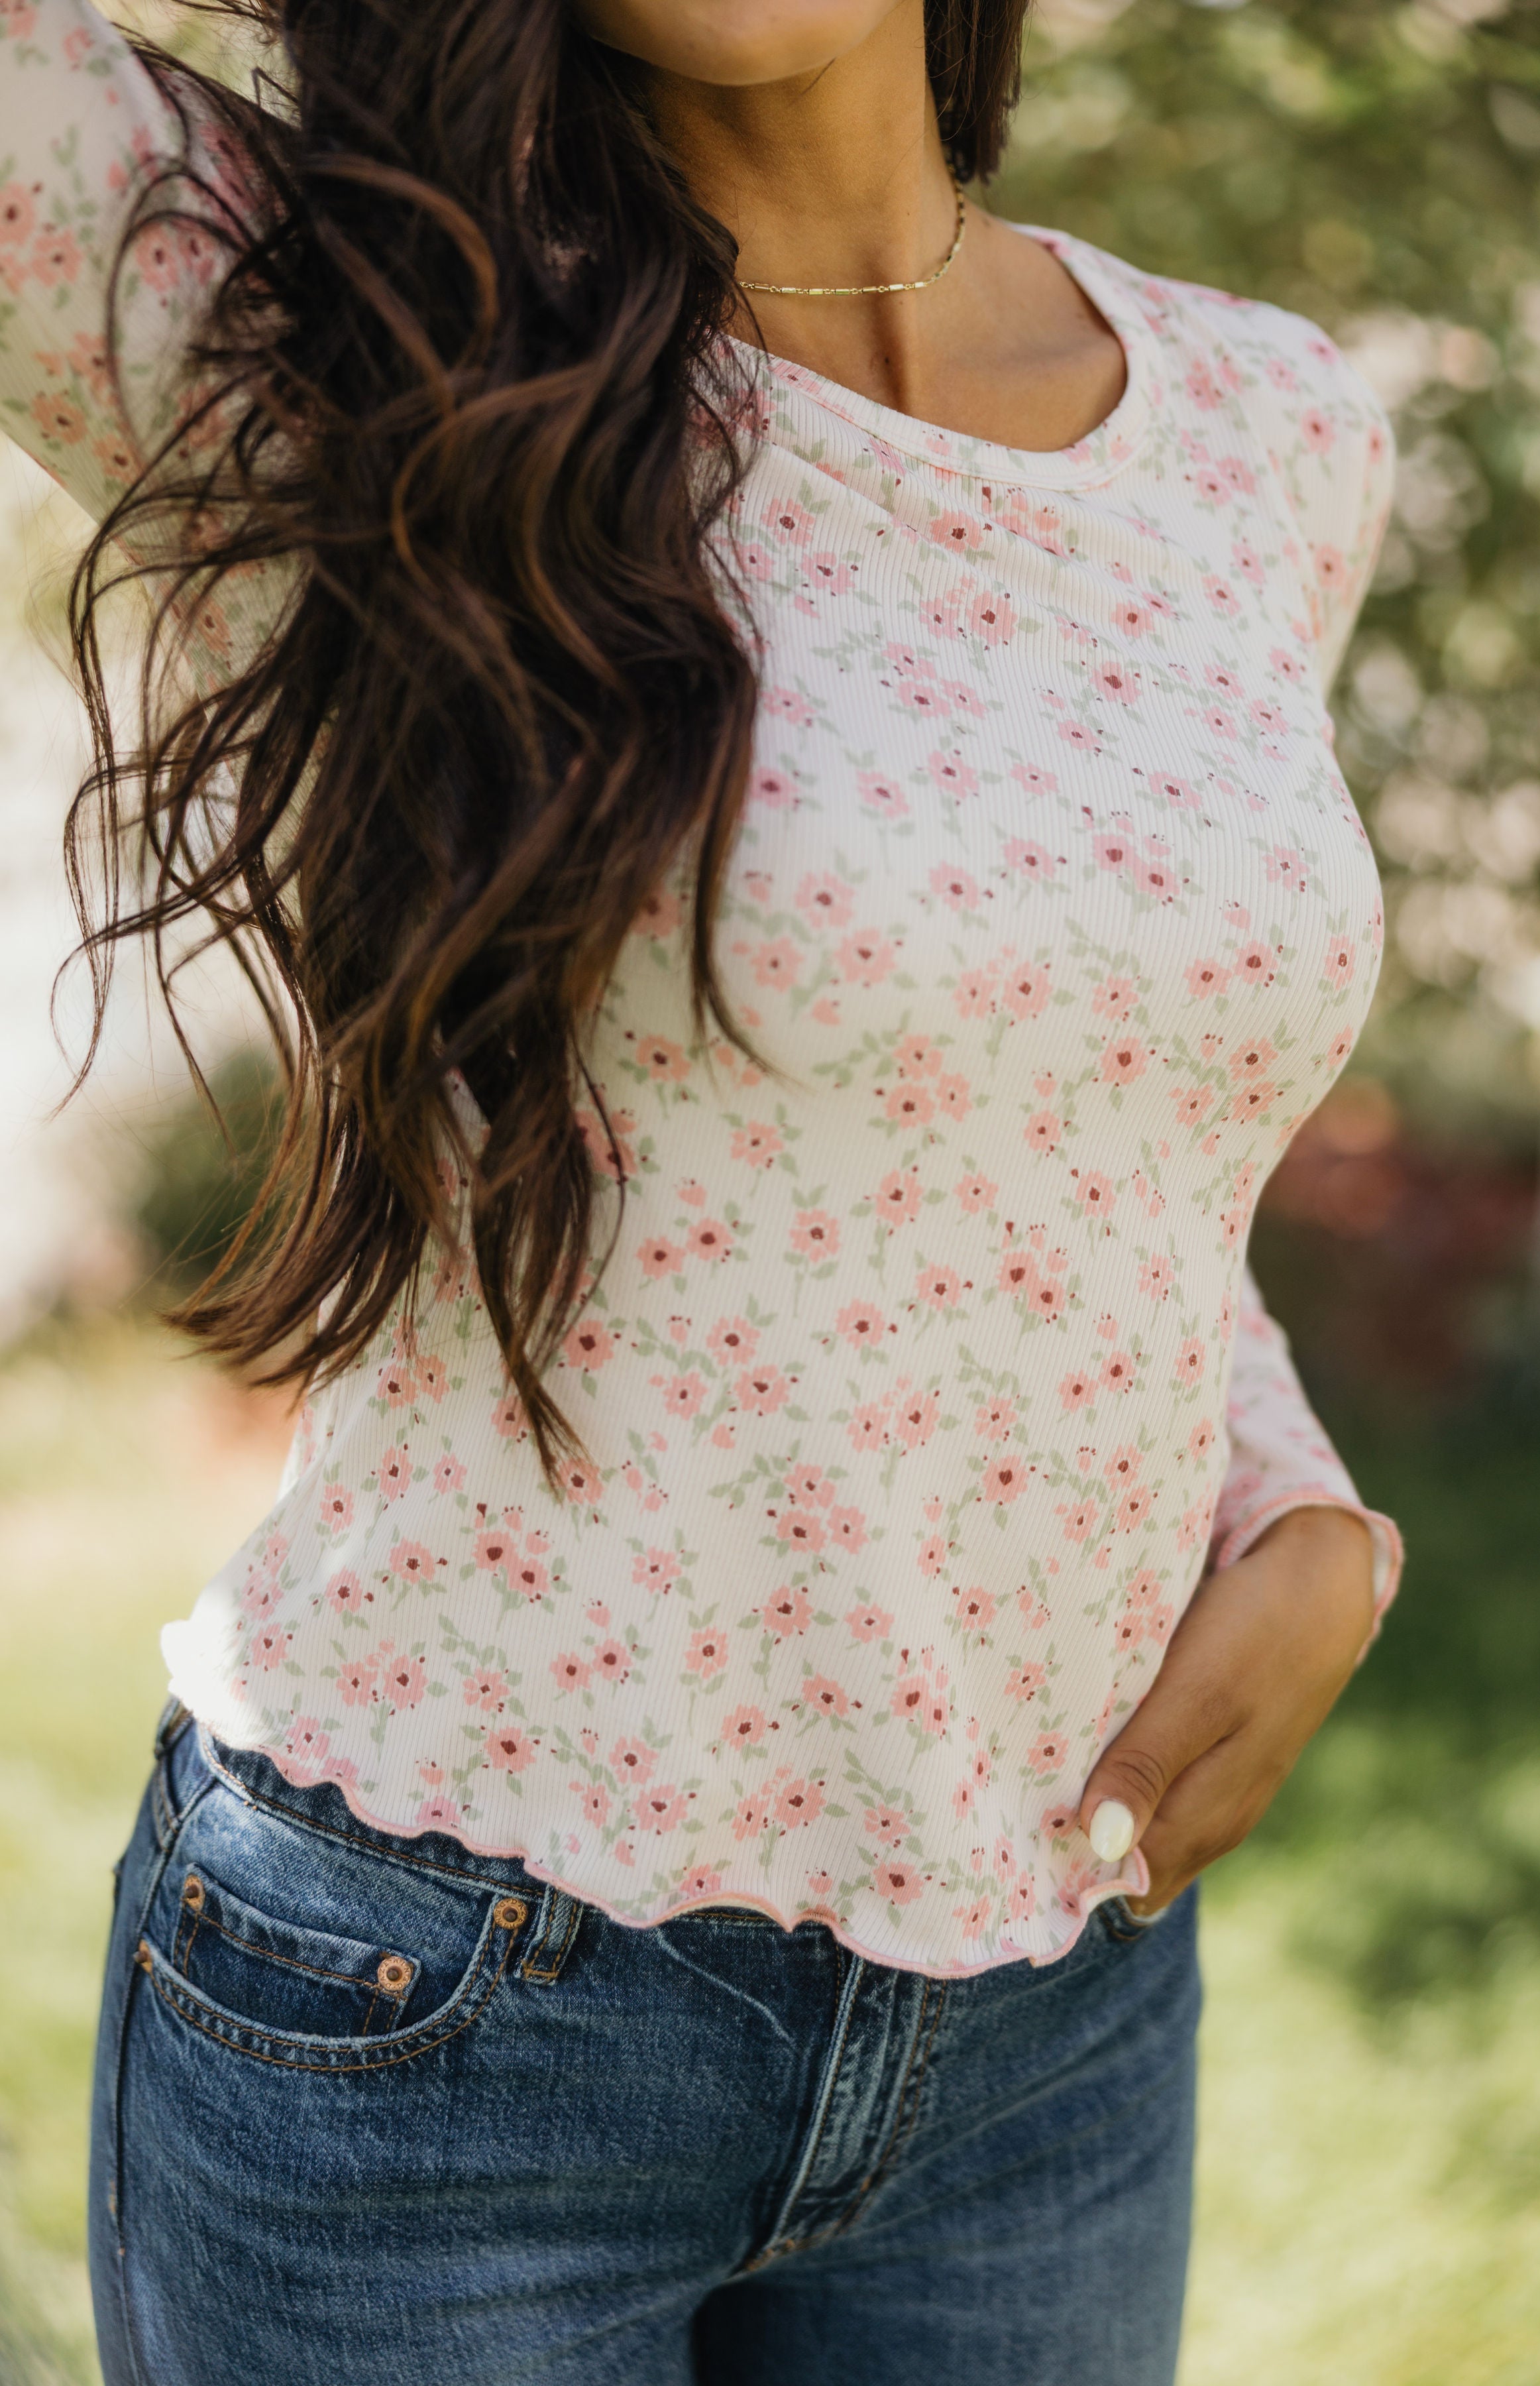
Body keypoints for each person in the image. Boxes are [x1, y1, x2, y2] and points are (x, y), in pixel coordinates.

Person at [0, 1, 1403, 2379]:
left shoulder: (1269, 426)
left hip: (1048, 2007)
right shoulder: (332, 341)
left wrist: (1305, 1511)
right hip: (436, 2023)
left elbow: (1092, 1135)